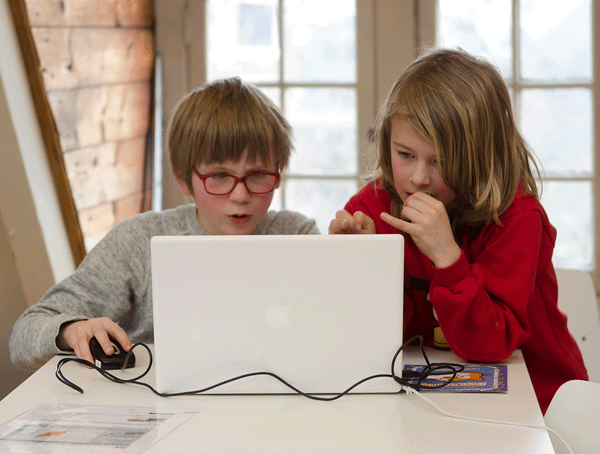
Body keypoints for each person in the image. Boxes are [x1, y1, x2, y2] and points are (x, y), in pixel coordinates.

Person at [329, 48, 587, 413]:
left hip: (543, 408)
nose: (419, 178)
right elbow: (361, 340)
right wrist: (360, 263)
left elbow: (489, 346)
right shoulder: (373, 208)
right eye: (405, 155)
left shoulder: (517, 218)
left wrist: (446, 257)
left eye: (441, 161)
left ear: (482, 156)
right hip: (426, 404)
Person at [10, 77, 320, 372]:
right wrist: (72, 329)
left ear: (279, 171)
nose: (240, 195)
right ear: (183, 178)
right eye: (219, 176)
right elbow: (25, 333)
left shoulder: (298, 235)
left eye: (258, 175)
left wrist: (347, 256)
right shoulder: (139, 241)